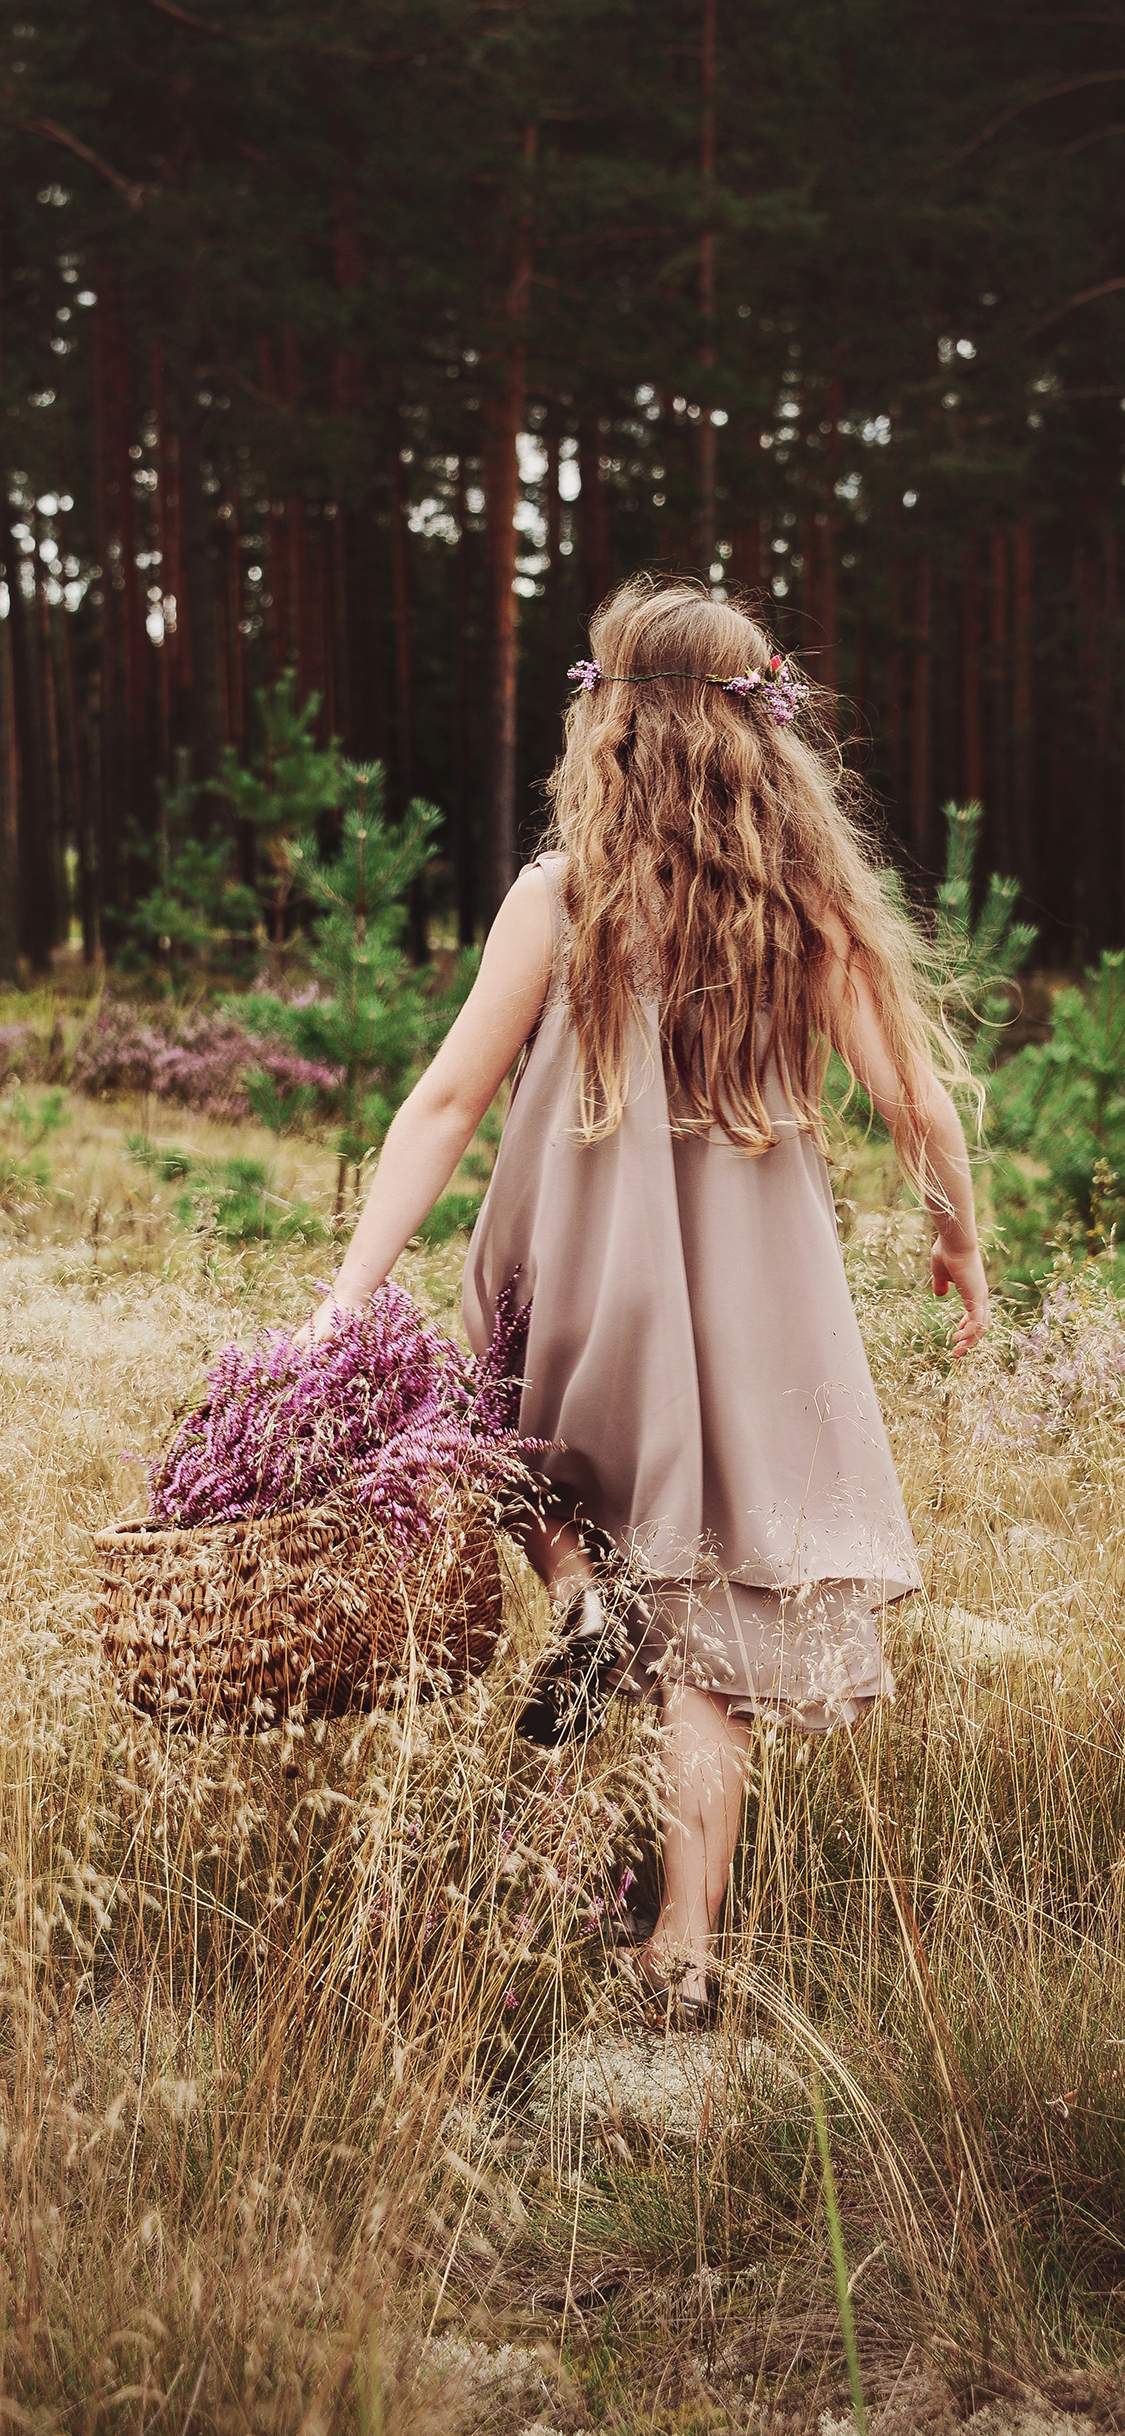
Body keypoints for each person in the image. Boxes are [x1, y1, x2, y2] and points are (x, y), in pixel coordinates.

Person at [300, 578, 990, 2027]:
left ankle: (575, 1596)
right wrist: (958, 1248)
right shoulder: (803, 908)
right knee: (715, 1646)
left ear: (604, 721)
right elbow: (918, 1108)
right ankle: (680, 1954)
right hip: (749, 1322)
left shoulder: (560, 896)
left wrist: (342, 1298)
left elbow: (442, 1100)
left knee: (544, 1485)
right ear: (762, 735)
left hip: (572, 1281)